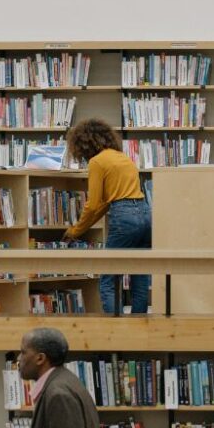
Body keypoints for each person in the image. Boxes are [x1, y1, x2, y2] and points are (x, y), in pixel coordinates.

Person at [63, 119, 152, 314]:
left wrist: (75, 230)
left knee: (109, 278)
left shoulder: (97, 162)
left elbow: (93, 204)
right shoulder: (123, 157)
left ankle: (116, 330)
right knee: (140, 276)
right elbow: (105, 204)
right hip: (145, 213)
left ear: (83, 144)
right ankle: (140, 328)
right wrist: (81, 228)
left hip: (124, 215)